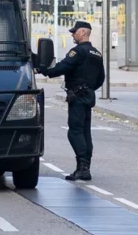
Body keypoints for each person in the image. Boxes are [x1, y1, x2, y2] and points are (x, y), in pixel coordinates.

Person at [41, 20, 104, 181]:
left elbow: (62, 67)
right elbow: (100, 79)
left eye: (75, 31)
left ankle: (82, 168)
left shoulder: (78, 52)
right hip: (89, 95)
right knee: (85, 132)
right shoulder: (97, 53)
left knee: (75, 132)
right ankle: (85, 167)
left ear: (83, 32)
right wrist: (88, 88)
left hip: (77, 96)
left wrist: (44, 70)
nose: (72, 34)